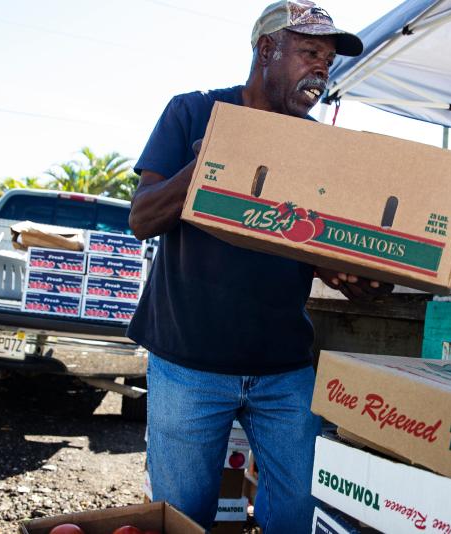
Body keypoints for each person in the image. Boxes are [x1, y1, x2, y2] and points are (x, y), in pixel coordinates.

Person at [127, 2, 392, 532]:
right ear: (267, 50)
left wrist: (354, 274)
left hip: (284, 368)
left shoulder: (323, 145)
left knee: (299, 512)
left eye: (329, 60)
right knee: (183, 518)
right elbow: (143, 216)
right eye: (311, 53)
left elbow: (328, 248)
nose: (322, 68)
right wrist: (212, 163)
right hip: (188, 364)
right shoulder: (193, 113)